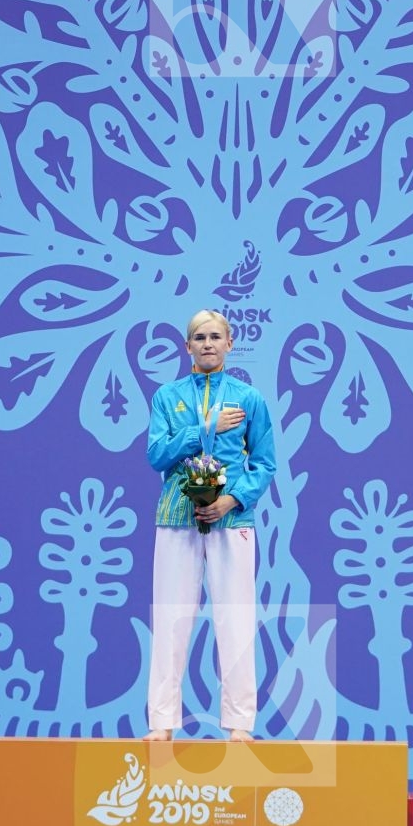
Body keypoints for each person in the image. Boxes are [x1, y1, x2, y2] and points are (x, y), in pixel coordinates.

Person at [144, 310, 277, 742]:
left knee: (235, 619)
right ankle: (162, 723)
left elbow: (265, 462)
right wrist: (204, 428)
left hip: (231, 519)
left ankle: (240, 725)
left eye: (215, 336)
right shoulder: (167, 397)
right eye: (199, 337)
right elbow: (157, 456)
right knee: (170, 620)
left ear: (229, 344)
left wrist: (231, 500)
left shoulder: (249, 399)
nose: (207, 343)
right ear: (187, 347)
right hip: (176, 518)